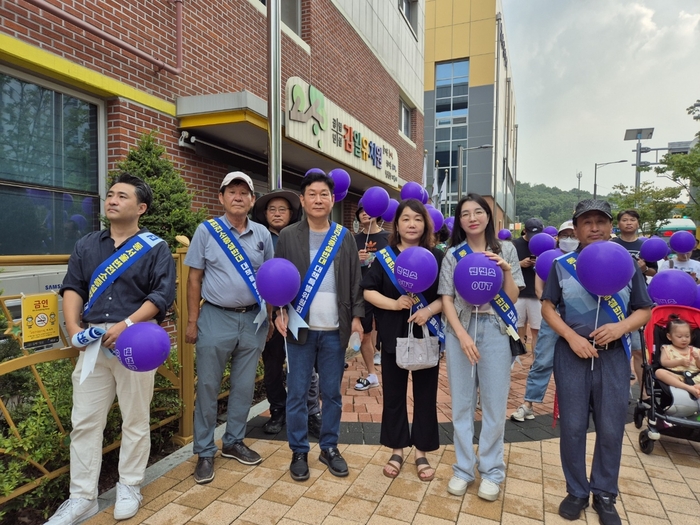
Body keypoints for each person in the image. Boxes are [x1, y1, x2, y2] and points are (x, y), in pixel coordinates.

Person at [50, 173, 176, 524]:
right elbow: (73, 287)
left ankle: (130, 485)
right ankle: (82, 497)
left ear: (141, 207)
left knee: (135, 419)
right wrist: (74, 328)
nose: (112, 200)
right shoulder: (87, 244)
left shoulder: (156, 247)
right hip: (91, 343)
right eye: (110, 195)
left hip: (134, 342)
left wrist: (126, 325)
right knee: (85, 421)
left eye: (122, 196)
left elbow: (161, 296)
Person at [541, 199, 652, 525]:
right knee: (573, 428)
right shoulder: (562, 265)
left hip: (613, 357)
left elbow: (644, 310)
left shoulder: (627, 265)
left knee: (610, 429)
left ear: (611, 226)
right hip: (571, 355)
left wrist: (620, 327)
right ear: (575, 229)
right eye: (586, 222)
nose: (594, 228)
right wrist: (571, 337)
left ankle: (605, 493)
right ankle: (576, 491)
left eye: (600, 222)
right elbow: (548, 307)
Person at [274, 171, 363, 482]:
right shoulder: (287, 236)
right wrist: (278, 312)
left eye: (323, 194)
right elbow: (277, 280)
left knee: (332, 394)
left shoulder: (344, 237)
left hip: (334, 330)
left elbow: (355, 280)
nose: (318, 199)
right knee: (296, 393)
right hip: (300, 327)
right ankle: (299, 450)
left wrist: (356, 318)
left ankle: (329, 447)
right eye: (311, 194)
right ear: (302, 199)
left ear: (333, 198)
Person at [185, 171, 273, 485]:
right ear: (221, 198)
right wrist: (193, 321)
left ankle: (234, 441)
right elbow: (194, 279)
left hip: (253, 319)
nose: (238, 197)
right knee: (208, 387)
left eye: (244, 192)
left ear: (252, 200)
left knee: (244, 386)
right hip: (215, 317)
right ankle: (205, 451)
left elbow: (271, 280)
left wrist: (271, 317)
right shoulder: (206, 231)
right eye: (231, 191)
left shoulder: (262, 234)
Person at [438, 193, 524, 501]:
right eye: (465, 214)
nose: (472, 218)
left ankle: (491, 471)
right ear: (459, 221)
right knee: (461, 403)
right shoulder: (453, 255)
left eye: (478, 212)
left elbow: (512, 297)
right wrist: (460, 334)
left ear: (488, 217)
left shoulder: (506, 250)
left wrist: (507, 271)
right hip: (460, 330)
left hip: (496, 330)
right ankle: (463, 468)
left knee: (493, 403)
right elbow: (446, 298)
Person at [361, 199, 444, 481]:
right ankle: (397, 448)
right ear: (397, 224)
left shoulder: (437, 256)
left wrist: (428, 310)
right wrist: (394, 304)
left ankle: (422, 451)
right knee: (394, 397)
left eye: (417, 219)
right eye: (406, 218)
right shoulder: (385, 257)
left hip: (427, 335)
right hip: (393, 336)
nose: (411, 224)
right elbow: (368, 291)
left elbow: (448, 296)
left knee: (425, 396)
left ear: (425, 225)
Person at [252, 189, 322, 437]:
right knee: (272, 367)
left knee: (306, 367)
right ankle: (278, 410)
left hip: (301, 311)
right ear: (264, 213)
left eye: (283, 209)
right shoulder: (258, 239)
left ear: (292, 213)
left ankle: (312, 411)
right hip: (268, 313)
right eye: (272, 209)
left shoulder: (302, 237)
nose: (277, 213)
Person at [510, 220, 578, 422]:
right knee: (542, 359)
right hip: (554, 318)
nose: (569, 239)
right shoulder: (552, 259)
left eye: (572, 235)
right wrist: (551, 309)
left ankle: (578, 405)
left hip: (580, 321)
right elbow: (540, 288)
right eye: (564, 235)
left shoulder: (588, 259)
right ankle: (529, 403)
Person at [612, 209, 657, 389]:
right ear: (618, 224)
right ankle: (619, 389)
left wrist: (644, 268)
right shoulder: (612, 245)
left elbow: (654, 272)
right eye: (624, 220)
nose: (629, 223)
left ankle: (645, 392)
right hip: (615, 298)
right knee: (619, 350)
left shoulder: (645, 247)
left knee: (639, 349)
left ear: (638, 223)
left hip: (638, 301)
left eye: (632, 220)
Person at [354, 205, 390, 390]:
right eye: (361, 211)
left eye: (368, 210)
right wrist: (357, 259)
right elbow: (347, 267)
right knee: (365, 334)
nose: (365, 213)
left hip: (385, 293)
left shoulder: (388, 238)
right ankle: (372, 374)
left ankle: (393, 373)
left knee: (388, 332)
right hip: (363, 292)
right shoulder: (354, 239)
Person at [513, 218, 544, 350]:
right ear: (525, 230)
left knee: (537, 329)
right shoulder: (514, 244)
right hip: (518, 293)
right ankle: (517, 358)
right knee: (518, 328)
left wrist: (540, 264)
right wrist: (520, 264)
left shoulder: (544, 244)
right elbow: (505, 266)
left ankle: (534, 362)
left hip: (536, 293)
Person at [655, 315, 700, 405]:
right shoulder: (667, 348)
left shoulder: (695, 350)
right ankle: (689, 388)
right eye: (679, 337)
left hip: (696, 377)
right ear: (669, 336)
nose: (684, 339)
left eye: (687, 336)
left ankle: (697, 387)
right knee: (659, 372)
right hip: (677, 377)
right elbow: (664, 363)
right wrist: (679, 362)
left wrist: (697, 359)